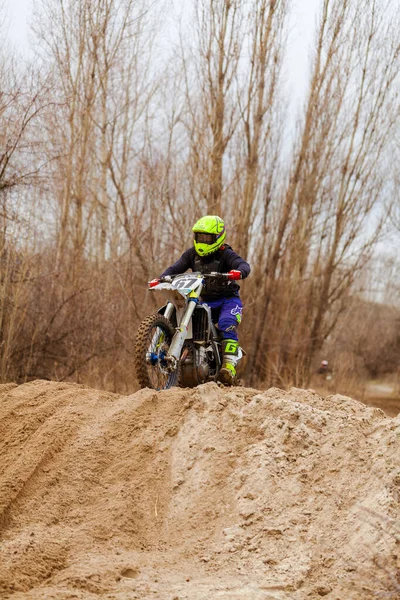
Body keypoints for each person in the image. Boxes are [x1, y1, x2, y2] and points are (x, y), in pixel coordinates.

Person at [159, 215, 250, 385]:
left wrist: (239, 272)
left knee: (226, 323)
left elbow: (243, 265)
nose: (203, 241)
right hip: (206, 301)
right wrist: (164, 277)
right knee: (192, 319)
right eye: (200, 237)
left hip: (227, 301)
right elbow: (175, 267)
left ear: (218, 237)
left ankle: (228, 367)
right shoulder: (191, 254)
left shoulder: (225, 254)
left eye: (207, 238)